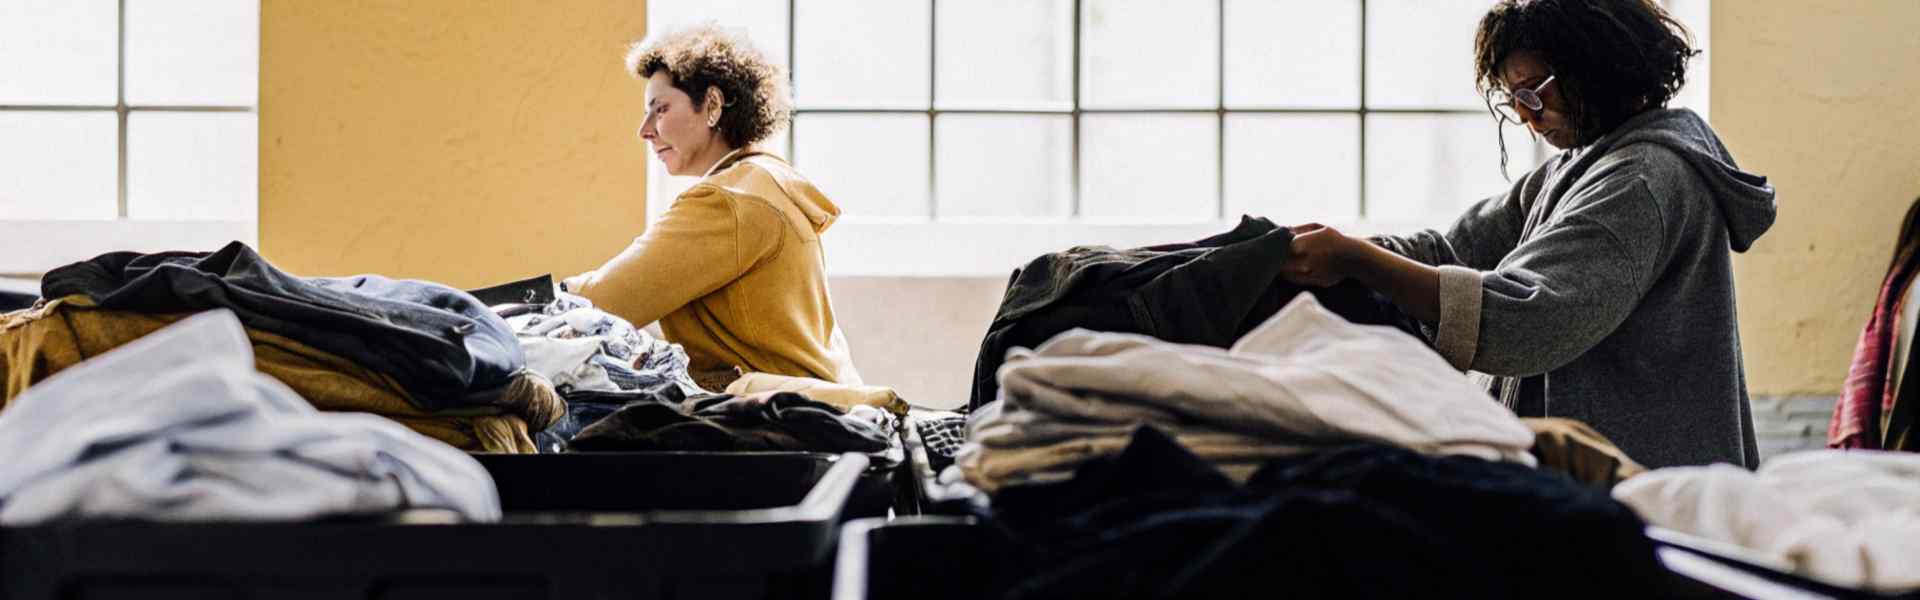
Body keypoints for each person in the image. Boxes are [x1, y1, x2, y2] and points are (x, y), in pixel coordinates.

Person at [1277, 0, 1776, 468]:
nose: (1524, 114)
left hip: (1638, 479)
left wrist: (1358, 262)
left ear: (1598, 69)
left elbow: (1527, 317)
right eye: (1514, 98)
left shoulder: (1642, 181)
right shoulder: (1578, 167)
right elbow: (1455, 248)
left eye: (1535, 92)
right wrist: (1334, 246)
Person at [563, 26, 861, 388]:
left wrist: (502, 308)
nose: (645, 130)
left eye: (660, 109)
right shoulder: (767, 180)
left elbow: (603, 302)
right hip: (821, 411)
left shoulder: (728, 201)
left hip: (772, 425)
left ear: (713, 106)